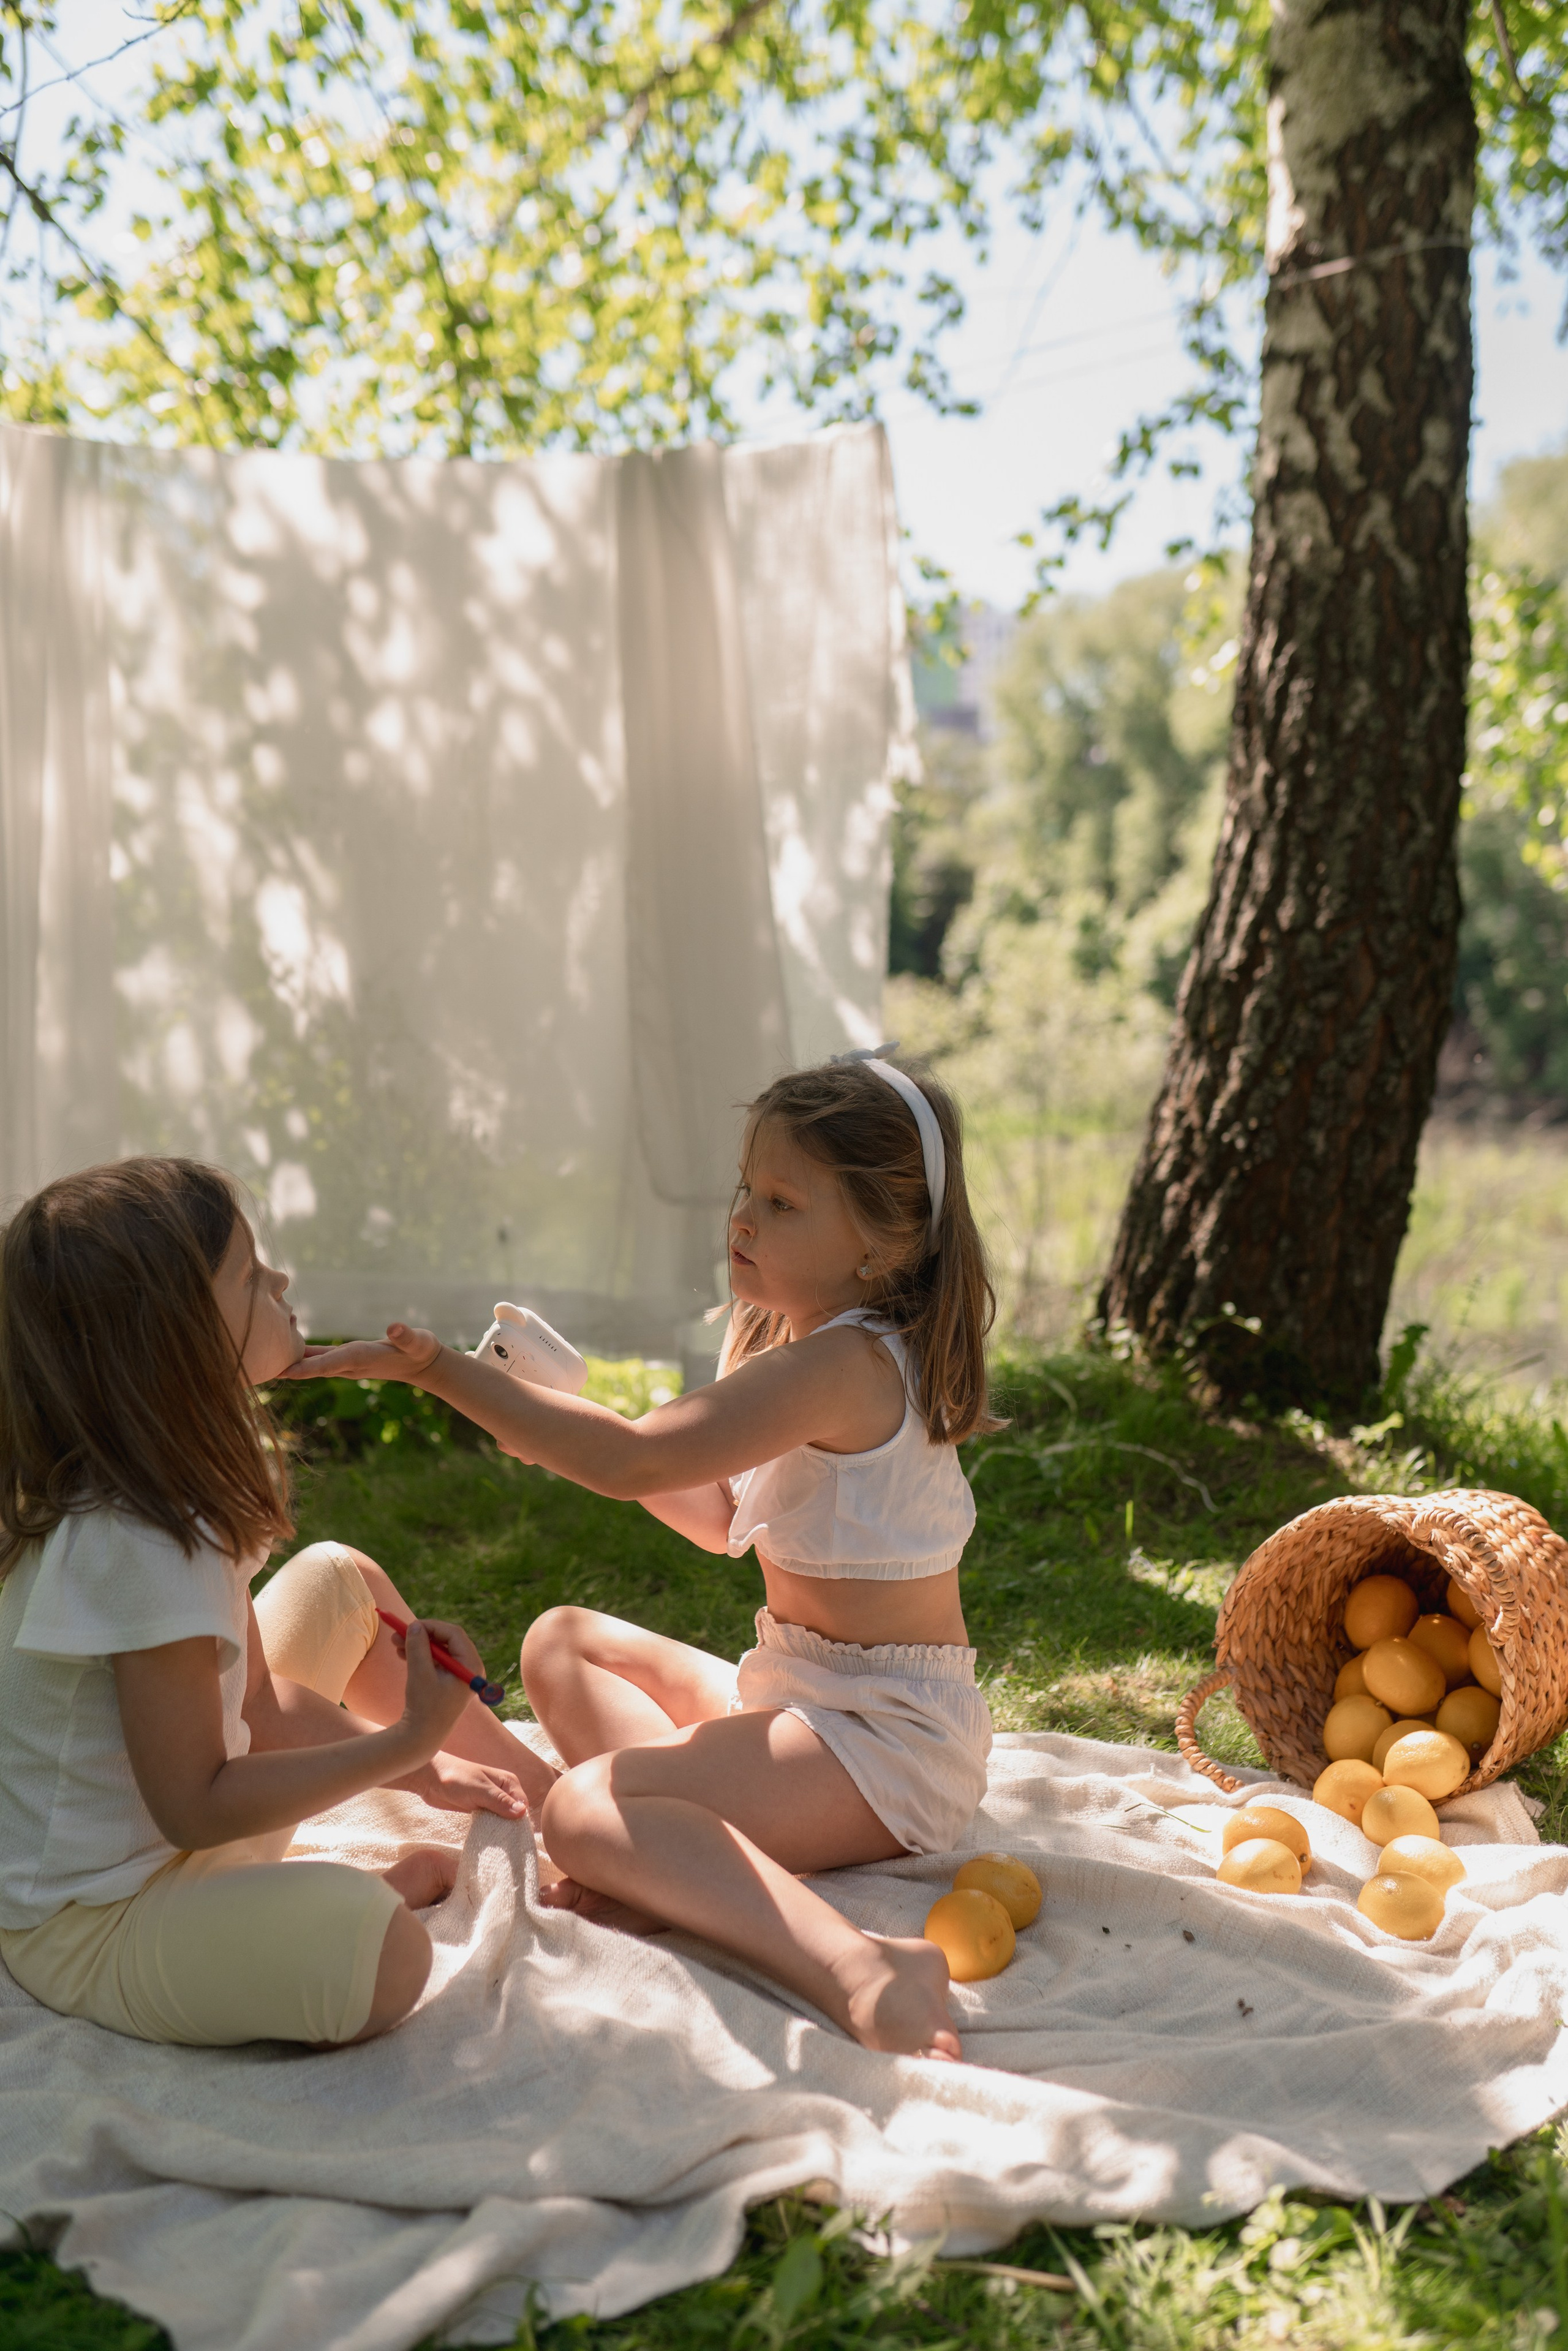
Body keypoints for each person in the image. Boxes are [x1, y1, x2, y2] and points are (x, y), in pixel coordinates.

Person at [289, 1054, 997, 2061]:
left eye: (784, 1201)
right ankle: (648, 1860)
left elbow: (629, 1463)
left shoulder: (844, 1365)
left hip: (886, 1741)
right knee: (561, 1641)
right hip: (802, 1693)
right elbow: (713, 1512)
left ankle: (860, 1963)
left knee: (587, 1807)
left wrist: (440, 1373)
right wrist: (547, 1406)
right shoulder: (794, 1343)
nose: (743, 1218)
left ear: (883, 1245)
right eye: (745, 1190)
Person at [0, 1157, 553, 2048]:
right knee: (382, 1957)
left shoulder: (167, 1492)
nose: (282, 1281)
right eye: (251, 1275)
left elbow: (254, 1705)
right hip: (91, 1922)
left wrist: (426, 1769)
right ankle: (340, 1901)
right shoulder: (137, 1539)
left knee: (340, 1581)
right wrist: (406, 1738)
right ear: (174, 1336)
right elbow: (195, 1804)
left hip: (179, 1842)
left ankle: (544, 1802)